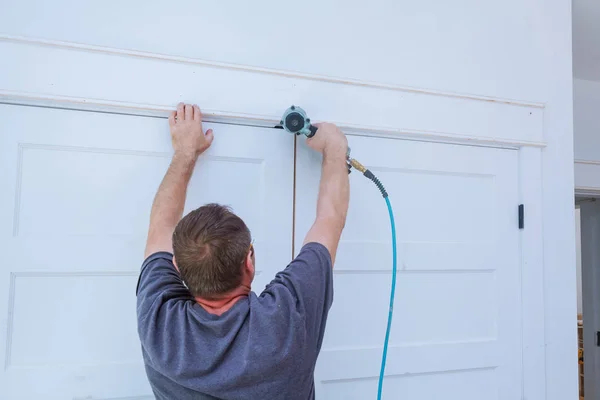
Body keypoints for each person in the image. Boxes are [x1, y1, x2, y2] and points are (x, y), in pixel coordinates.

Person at [136, 102, 349, 400]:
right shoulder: (286, 320)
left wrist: (186, 151)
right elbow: (330, 220)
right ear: (250, 261)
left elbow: (160, 225)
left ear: (177, 267)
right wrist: (335, 149)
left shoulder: (159, 325)